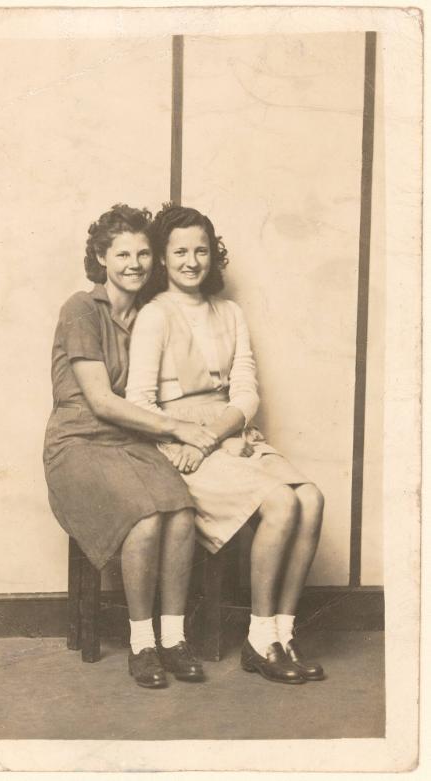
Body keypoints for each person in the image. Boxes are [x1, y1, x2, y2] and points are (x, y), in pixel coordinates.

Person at [126, 203, 325, 685]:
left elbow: (246, 392)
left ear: (214, 256)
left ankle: (282, 631)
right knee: (280, 502)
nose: (191, 261)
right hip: (178, 446)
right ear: (163, 258)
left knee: (311, 499)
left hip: (227, 436)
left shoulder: (230, 312)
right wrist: (189, 439)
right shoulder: (154, 316)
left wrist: (217, 436)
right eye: (179, 252)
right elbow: (139, 400)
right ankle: (260, 642)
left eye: (200, 250)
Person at [43, 204, 217, 689]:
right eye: (123, 254)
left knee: (181, 511)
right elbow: (101, 401)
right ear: (101, 258)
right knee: (144, 519)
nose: (135, 264)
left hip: (130, 441)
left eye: (143, 254)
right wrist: (178, 430)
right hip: (77, 444)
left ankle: (174, 638)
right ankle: (142, 645)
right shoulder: (81, 308)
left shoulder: (150, 313)